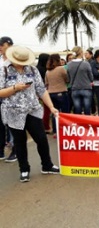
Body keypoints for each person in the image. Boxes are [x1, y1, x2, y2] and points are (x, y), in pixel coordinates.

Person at [0, 45, 59, 182]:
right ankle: (24, 169)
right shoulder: (4, 70)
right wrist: (15, 88)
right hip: (13, 112)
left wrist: (51, 107)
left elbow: (41, 90)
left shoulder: (32, 69)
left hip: (32, 110)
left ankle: (47, 165)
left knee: (41, 139)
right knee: (20, 142)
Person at [0, 36, 16, 162]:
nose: (0, 47)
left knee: (13, 125)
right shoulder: (0, 60)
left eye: (2, 45)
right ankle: (1, 151)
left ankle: (15, 151)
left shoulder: (16, 60)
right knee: (1, 125)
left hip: (12, 96)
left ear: (9, 45)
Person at [45, 53, 69, 137]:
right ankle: (66, 129)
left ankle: (55, 131)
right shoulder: (61, 69)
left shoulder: (47, 71)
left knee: (55, 113)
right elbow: (67, 79)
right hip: (61, 92)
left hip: (51, 94)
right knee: (65, 112)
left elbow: (46, 83)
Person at [67, 46, 93, 115]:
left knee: (77, 108)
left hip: (75, 88)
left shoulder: (69, 64)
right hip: (86, 88)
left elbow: (68, 78)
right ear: (80, 53)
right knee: (87, 107)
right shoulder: (86, 64)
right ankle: (87, 123)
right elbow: (91, 77)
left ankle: (79, 123)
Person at [36, 53, 51, 134]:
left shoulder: (37, 68)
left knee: (43, 110)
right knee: (47, 110)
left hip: (38, 92)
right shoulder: (43, 69)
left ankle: (45, 126)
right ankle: (46, 127)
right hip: (44, 91)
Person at [84, 48, 97, 115]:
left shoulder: (92, 62)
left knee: (91, 97)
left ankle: (93, 111)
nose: (85, 55)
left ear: (91, 55)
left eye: (87, 53)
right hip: (86, 82)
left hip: (91, 81)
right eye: (84, 54)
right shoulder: (84, 62)